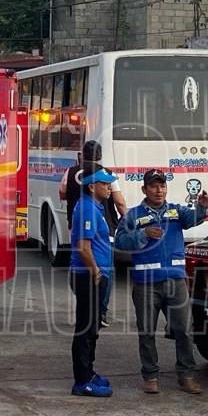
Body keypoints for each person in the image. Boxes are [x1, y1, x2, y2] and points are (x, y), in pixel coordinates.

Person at [115, 168, 208, 395]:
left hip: (176, 282)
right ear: (144, 189)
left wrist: (202, 207)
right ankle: (150, 376)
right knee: (147, 331)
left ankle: (186, 375)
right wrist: (144, 234)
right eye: (153, 186)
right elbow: (120, 242)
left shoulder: (176, 211)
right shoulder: (133, 216)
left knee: (184, 329)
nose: (159, 190)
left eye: (162, 186)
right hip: (146, 284)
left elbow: (194, 218)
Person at [60, 140, 127, 328]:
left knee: (81, 266)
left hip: (76, 227)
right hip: (102, 229)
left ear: (83, 154)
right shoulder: (105, 174)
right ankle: (100, 312)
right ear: (100, 156)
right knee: (104, 271)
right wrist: (128, 222)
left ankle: (89, 311)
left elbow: (62, 192)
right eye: (105, 185)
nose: (107, 187)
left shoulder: (71, 172)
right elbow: (120, 202)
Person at [68, 168, 117, 398]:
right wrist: (96, 271)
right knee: (86, 329)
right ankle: (82, 380)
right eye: (105, 184)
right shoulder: (87, 208)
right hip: (89, 275)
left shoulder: (95, 206)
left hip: (95, 274)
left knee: (92, 327)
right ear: (91, 186)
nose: (109, 187)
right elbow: (83, 247)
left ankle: (88, 372)